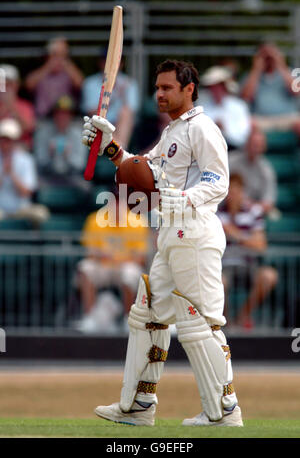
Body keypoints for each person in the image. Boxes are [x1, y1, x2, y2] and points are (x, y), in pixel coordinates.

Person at [81, 59, 243, 427]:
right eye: (157, 88)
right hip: (170, 232)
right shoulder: (172, 131)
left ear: (189, 89)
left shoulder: (202, 128)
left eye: (167, 87)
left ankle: (225, 410)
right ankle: (139, 405)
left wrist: (186, 198)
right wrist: (109, 147)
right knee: (148, 315)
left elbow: (220, 182)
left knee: (200, 321)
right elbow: (141, 171)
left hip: (196, 230)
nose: (160, 94)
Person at [75, 196, 151, 333]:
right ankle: (90, 317)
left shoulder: (138, 221)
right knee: (86, 268)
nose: (116, 207)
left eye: (119, 203)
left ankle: (128, 318)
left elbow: (140, 258)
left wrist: (118, 258)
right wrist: (101, 254)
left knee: (130, 273)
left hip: (125, 265)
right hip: (103, 266)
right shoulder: (95, 219)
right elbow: (89, 252)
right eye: (113, 203)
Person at [218, 173, 278, 329]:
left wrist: (235, 234)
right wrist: (247, 238)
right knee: (218, 281)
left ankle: (242, 317)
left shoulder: (253, 212)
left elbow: (260, 245)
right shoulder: (216, 213)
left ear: (242, 192)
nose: (233, 195)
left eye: (236, 191)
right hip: (223, 266)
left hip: (248, 265)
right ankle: (226, 322)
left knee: (269, 276)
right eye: (230, 191)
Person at [81, 54, 140, 149]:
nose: (110, 65)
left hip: (121, 126)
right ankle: (119, 151)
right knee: (98, 120)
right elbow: (91, 112)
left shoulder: (129, 83)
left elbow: (132, 110)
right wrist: (115, 96)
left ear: (121, 64)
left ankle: (119, 147)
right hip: (99, 124)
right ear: (100, 63)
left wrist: (123, 95)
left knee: (126, 113)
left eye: (114, 61)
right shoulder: (90, 83)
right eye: (106, 61)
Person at [240, 42, 300, 134]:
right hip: (261, 119)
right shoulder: (250, 76)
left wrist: (281, 65)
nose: (268, 59)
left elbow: (296, 91)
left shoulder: (290, 72)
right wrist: (256, 69)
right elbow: (246, 97)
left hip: (287, 117)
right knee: (247, 125)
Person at [0, 118, 49, 226]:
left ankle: (37, 242)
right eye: (3, 139)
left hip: (21, 209)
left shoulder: (26, 160)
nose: (5, 143)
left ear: (15, 141)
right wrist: (3, 174)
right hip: (1, 209)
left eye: (8, 140)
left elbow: (26, 192)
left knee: (41, 213)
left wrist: (12, 174)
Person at [34, 95, 88, 189]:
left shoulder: (78, 133)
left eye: (66, 113)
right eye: (59, 113)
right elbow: (39, 162)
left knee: (85, 188)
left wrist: (68, 156)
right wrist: (49, 154)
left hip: (72, 176)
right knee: (34, 185)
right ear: (54, 114)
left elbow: (81, 164)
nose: (62, 117)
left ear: (71, 116)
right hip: (48, 176)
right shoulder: (43, 131)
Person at [25, 37, 84, 118]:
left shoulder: (69, 71)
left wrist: (65, 62)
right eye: (55, 54)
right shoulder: (41, 71)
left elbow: (80, 84)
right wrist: (49, 65)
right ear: (47, 55)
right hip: (43, 118)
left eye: (62, 54)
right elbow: (29, 85)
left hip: (65, 119)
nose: (58, 58)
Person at [196, 66, 251, 150]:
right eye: (212, 87)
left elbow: (242, 137)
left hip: (234, 150)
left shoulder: (239, 106)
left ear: (225, 87)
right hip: (207, 150)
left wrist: (224, 130)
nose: (215, 90)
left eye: (218, 86)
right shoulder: (202, 105)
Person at [228, 126, 277, 216]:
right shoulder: (230, 161)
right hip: (227, 209)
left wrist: (251, 206)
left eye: (259, 145)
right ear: (247, 144)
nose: (256, 148)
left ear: (264, 147)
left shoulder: (266, 169)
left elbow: (268, 202)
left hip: (253, 214)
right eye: (253, 144)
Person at [0, 64, 35, 148]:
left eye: (10, 84)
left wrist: (12, 108)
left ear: (17, 85)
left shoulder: (25, 105)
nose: (6, 87)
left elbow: (29, 128)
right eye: (3, 84)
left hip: (20, 147)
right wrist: (5, 107)